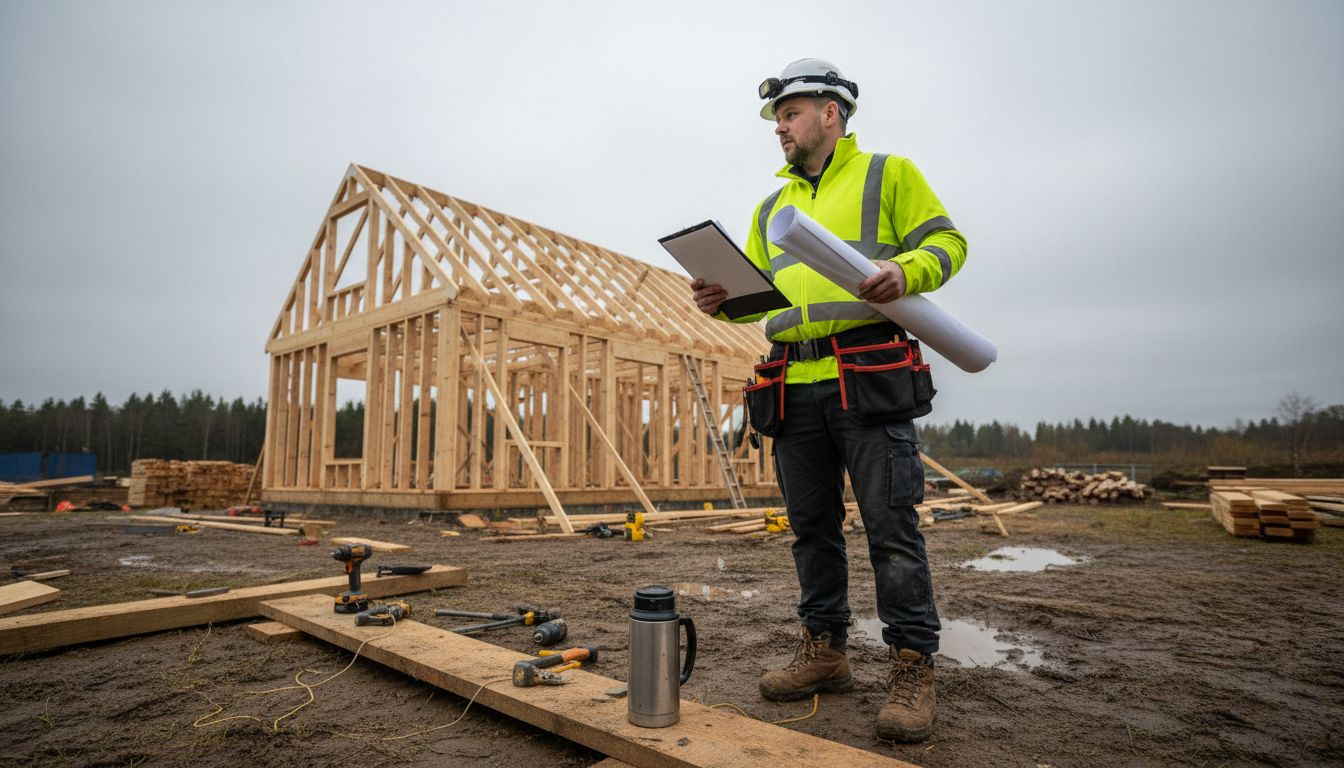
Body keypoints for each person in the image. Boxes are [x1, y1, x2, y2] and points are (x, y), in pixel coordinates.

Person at [690, 58, 967, 743]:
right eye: (777, 119)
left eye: (788, 114)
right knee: (811, 530)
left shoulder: (888, 174)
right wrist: (719, 302)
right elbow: (761, 300)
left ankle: (910, 664)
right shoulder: (770, 208)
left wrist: (908, 269)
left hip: (867, 378)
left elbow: (948, 243)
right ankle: (826, 653)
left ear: (830, 113)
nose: (779, 129)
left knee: (891, 528)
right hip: (793, 384)